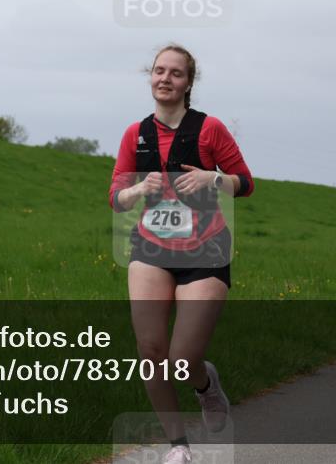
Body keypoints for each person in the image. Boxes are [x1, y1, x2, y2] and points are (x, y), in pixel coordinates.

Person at [109, 45, 254, 464]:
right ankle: (177, 446)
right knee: (150, 353)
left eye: (175, 73)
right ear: (150, 77)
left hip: (205, 251)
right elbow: (116, 197)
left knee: (180, 360)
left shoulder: (210, 130)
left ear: (188, 82)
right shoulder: (134, 134)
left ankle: (206, 385)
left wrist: (214, 179)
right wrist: (138, 190)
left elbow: (246, 183)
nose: (165, 78)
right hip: (151, 249)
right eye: (158, 71)